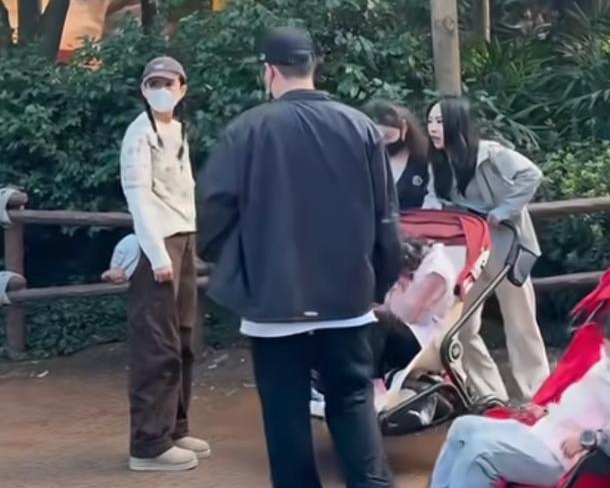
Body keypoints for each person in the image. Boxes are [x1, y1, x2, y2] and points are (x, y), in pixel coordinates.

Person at [196, 26, 402, 488]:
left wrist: (242, 268)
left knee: (284, 416)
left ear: (269, 71)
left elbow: (212, 210)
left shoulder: (246, 130)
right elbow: (386, 217)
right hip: (347, 301)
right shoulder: (359, 127)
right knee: (353, 404)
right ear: (314, 67)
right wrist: (379, 282)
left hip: (274, 303)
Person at [429, 298, 610, 488]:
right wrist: (549, 412)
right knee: (463, 427)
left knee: (479, 454)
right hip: (547, 431)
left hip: (559, 456)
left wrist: (592, 439)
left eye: (607, 345)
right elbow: (589, 407)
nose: (602, 348)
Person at [424, 96, 549, 401]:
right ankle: (490, 395)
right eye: (429, 121)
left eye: (440, 121)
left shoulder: (491, 154)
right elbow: (432, 198)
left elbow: (532, 174)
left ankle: (538, 394)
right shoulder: (437, 163)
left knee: (521, 323)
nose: (433, 128)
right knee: (462, 326)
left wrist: (504, 210)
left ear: (457, 123)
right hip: (469, 252)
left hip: (505, 249)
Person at [120, 56, 209, 472]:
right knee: (156, 344)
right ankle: (148, 444)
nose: (161, 89)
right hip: (157, 245)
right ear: (143, 89)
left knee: (184, 338)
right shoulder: (139, 134)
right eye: (153, 83)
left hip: (184, 238)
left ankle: (175, 427)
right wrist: (157, 255)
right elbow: (138, 196)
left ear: (181, 88)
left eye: (168, 83)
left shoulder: (179, 130)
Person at [371, 239, 456, 381]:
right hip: (407, 332)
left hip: (423, 340)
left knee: (375, 320)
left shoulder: (436, 270)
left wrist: (395, 290)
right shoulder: (423, 261)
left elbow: (411, 314)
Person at [366, 100, 430, 210]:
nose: (383, 140)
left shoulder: (424, 162)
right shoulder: (370, 159)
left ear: (404, 129)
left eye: (388, 135)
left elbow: (432, 200)